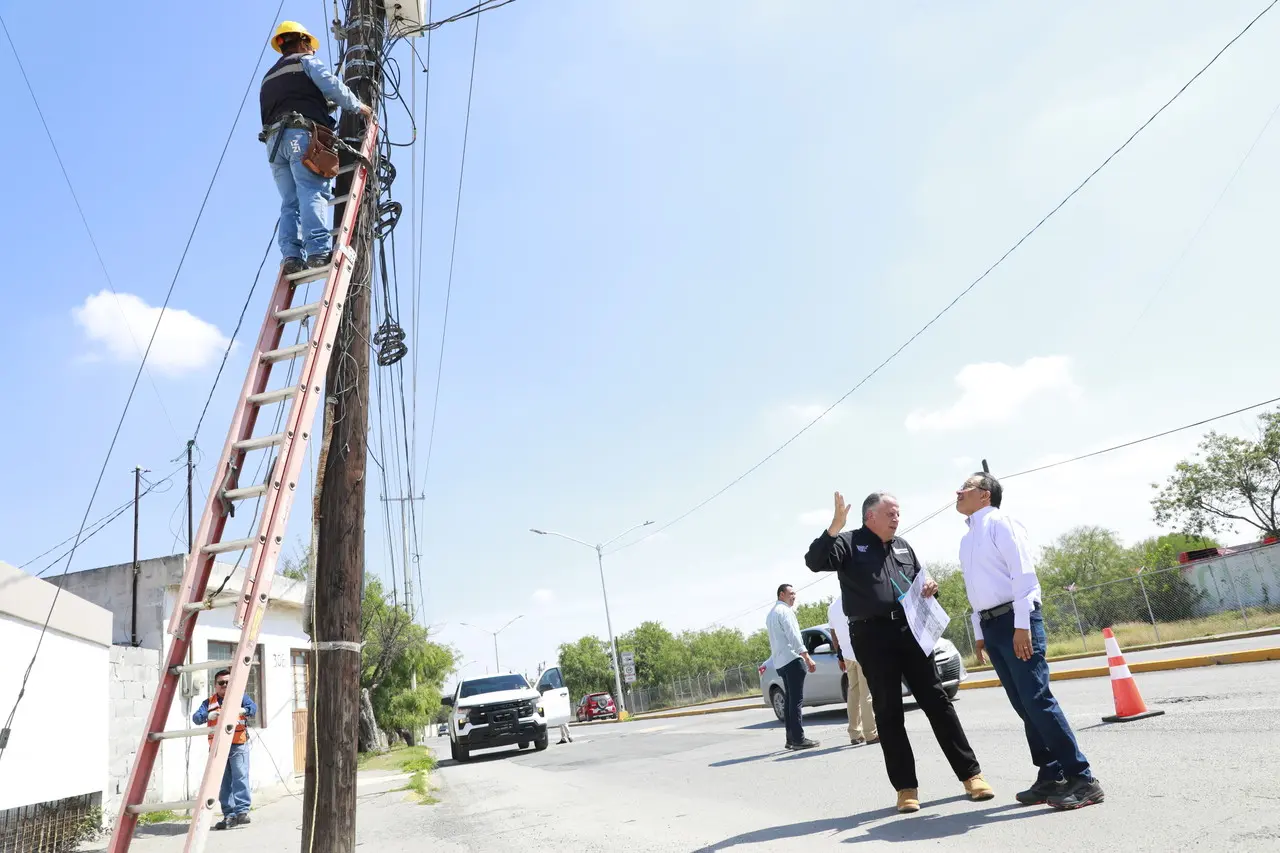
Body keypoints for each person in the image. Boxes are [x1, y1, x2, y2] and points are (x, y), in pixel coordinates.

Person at [805, 491, 993, 814]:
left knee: (937, 702)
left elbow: (920, 579)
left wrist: (931, 584)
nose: (896, 519)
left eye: (898, 514)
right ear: (870, 517)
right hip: (872, 635)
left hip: (910, 632)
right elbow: (814, 561)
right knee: (889, 711)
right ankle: (906, 789)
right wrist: (834, 527)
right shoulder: (848, 544)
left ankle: (971, 775)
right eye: (890, 514)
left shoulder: (904, 547)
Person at [955, 472, 1104, 810]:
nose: (958, 492)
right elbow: (976, 589)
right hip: (992, 626)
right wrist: (980, 633)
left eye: (966, 487)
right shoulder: (967, 539)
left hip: (1016, 621)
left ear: (985, 495)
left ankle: (1083, 778)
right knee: (1024, 705)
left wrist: (1021, 626)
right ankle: (1050, 776)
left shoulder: (1002, 523)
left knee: (1038, 701)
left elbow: (1023, 576)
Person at [259, 21, 373, 275]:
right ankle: (318, 251)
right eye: (310, 45)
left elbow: (292, 100)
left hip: (273, 144)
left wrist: (321, 106)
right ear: (301, 41)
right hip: (299, 137)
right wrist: (358, 106)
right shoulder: (306, 62)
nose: (313, 50)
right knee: (312, 191)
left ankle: (291, 256)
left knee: (290, 202)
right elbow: (332, 85)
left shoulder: (269, 76)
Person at [193, 669, 259, 830]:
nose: (224, 685)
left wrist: (242, 710)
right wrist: (207, 716)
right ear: (215, 685)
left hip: (238, 744)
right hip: (218, 747)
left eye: (228, 683)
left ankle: (242, 811)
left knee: (240, 775)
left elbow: (253, 707)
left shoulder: (240, 698)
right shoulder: (208, 703)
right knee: (223, 782)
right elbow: (196, 718)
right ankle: (229, 814)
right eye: (221, 683)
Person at [765, 584, 819, 750]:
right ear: (781, 594)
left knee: (790, 701)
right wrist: (807, 656)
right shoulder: (785, 611)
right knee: (795, 701)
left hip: (780, 662)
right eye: (791, 593)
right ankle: (798, 739)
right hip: (792, 660)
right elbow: (793, 635)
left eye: (795, 593)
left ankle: (790, 739)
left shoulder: (771, 614)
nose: (794, 596)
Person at [826, 593, 877, 746]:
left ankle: (855, 733)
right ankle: (870, 733)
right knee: (866, 694)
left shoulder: (832, 607)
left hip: (847, 655)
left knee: (853, 693)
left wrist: (839, 656)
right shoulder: (856, 598)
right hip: (861, 651)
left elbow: (833, 634)